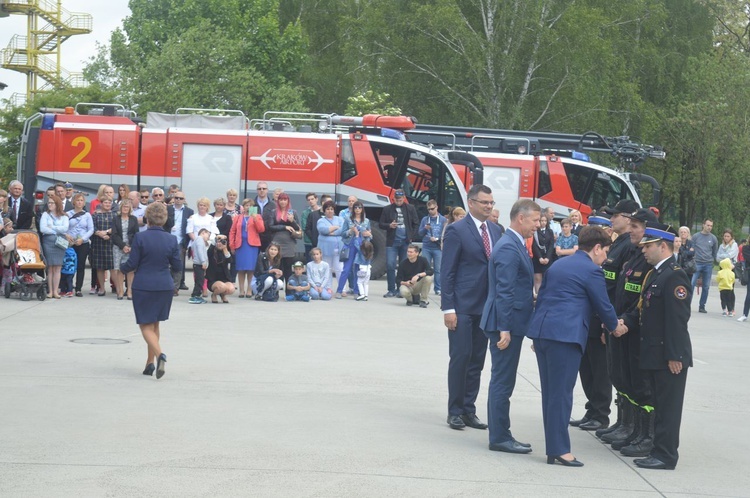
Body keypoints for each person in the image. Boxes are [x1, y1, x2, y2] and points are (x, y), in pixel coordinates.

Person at [527, 226, 621, 466]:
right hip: (565, 336)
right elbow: (603, 305)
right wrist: (615, 327)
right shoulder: (592, 270)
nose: (606, 257)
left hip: (544, 333)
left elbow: (543, 296)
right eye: (606, 251)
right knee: (561, 395)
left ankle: (553, 448)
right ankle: (559, 449)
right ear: (597, 248)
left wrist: (539, 334)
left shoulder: (559, 264)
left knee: (550, 393)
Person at [617, 222, 692, 470]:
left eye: (648, 246)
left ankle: (666, 455)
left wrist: (675, 355)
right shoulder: (656, 274)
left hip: (668, 356)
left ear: (663, 246)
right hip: (654, 353)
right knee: (660, 406)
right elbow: (643, 310)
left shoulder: (675, 275)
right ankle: (658, 451)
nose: (643, 251)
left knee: (668, 409)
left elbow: (677, 321)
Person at [480, 198, 540, 453]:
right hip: (505, 324)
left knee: (503, 381)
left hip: (510, 321)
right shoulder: (508, 247)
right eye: (535, 220)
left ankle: (501, 433)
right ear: (521, 218)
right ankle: (500, 437)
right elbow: (504, 290)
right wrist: (504, 327)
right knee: (502, 382)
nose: (538, 225)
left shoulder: (514, 243)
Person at [442, 185, 503, 431]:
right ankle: (455, 410)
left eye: (491, 202)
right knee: (461, 357)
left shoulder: (497, 230)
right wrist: (448, 309)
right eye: (484, 202)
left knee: (477, 360)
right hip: (463, 306)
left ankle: (469, 409)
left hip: (486, 306)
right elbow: (447, 272)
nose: (489, 206)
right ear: (471, 203)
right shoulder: (457, 230)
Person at [578, 199, 638, 436]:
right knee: (588, 367)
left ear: (628, 217)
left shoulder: (628, 247)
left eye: (615, 216)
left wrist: (610, 322)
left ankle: (600, 413)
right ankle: (592, 409)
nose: (611, 220)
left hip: (606, 316)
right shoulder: (613, 244)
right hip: (593, 314)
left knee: (601, 368)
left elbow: (617, 289)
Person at [601, 208, 658, 457]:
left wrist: (624, 322)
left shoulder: (649, 260)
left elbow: (642, 300)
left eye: (636, 226)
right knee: (621, 377)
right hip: (621, 326)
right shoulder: (633, 254)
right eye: (631, 225)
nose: (631, 230)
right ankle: (627, 425)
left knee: (641, 385)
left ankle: (646, 434)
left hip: (635, 330)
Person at [121, 202, 182, 379]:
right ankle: (150, 363)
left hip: (144, 284)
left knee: (145, 325)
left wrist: (122, 268)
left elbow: (132, 264)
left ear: (147, 218)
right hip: (164, 285)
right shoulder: (171, 239)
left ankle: (160, 354)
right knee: (155, 324)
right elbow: (178, 266)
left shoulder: (140, 238)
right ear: (164, 219)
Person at [379, 189, 419, 298]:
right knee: (390, 265)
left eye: (400, 199)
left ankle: (400, 289)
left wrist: (411, 236)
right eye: (397, 199)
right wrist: (389, 225)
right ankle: (391, 289)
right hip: (392, 242)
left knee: (403, 267)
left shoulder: (410, 208)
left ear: (404, 198)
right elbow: (381, 224)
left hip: (405, 242)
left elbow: (416, 223)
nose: (398, 201)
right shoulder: (387, 209)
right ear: (393, 198)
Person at [229, 198, 265, 298]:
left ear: (253, 207)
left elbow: (261, 229)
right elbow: (232, 232)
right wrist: (232, 245)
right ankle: (241, 290)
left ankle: (249, 289)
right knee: (241, 269)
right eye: (246, 205)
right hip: (240, 245)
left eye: (250, 205)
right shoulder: (238, 217)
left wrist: (255, 218)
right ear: (243, 207)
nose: (248, 207)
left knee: (251, 269)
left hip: (252, 246)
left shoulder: (257, 216)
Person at [263, 193, 302, 282]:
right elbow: (270, 226)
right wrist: (284, 227)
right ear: (278, 201)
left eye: (285, 200)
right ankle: (275, 291)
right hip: (276, 243)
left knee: (288, 269)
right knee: (277, 268)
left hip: (289, 244)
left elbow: (298, 228)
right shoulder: (274, 212)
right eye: (281, 200)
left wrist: (292, 221)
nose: (283, 202)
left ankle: (288, 293)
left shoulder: (293, 212)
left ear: (288, 201)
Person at [337, 201, 372, 298]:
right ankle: (339, 290)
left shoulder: (366, 221)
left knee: (358, 269)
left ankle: (357, 291)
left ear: (362, 209)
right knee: (346, 269)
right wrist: (350, 231)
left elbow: (369, 235)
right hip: (350, 244)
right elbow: (342, 233)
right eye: (356, 207)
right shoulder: (348, 219)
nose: (357, 209)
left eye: (359, 207)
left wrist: (368, 235)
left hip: (361, 246)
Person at [39, 194, 70, 298]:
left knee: (57, 267)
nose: (50, 204)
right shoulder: (45, 215)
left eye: (52, 203)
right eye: (49, 202)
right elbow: (43, 229)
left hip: (60, 243)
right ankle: (50, 291)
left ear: (57, 204)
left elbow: (65, 228)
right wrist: (56, 229)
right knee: (50, 267)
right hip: (48, 242)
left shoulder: (64, 216)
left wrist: (51, 227)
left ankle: (56, 291)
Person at [65, 193, 94, 297]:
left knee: (80, 266)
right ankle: (68, 287)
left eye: (81, 200)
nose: (79, 202)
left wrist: (83, 239)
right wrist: (67, 235)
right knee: (69, 265)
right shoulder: (68, 214)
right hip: (70, 243)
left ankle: (78, 288)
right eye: (77, 200)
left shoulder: (87, 215)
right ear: (73, 202)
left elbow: (91, 229)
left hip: (83, 243)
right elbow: (63, 227)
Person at [111, 199, 138, 300]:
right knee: (119, 269)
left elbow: (136, 234)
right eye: (124, 207)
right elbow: (114, 234)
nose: (125, 208)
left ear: (130, 208)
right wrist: (123, 246)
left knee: (130, 269)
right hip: (118, 247)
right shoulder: (116, 219)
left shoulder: (134, 219)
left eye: (127, 207)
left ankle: (130, 290)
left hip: (131, 247)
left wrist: (131, 247)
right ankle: (120, 291)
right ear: (121, 208)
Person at [418, 200, 447, 296]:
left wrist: (438, 239)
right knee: (425, 268)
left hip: (437, 247)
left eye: (432, 209)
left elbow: (445, 234)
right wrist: (424, 229)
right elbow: (419, 234)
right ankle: (423, 287)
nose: (430, 211)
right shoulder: (425, 219)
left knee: (438, 269)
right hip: (427, 246)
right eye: (429, 209)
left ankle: (438, 288)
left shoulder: (443, 220)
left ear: (437, 207)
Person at [690, 219, 718, 313]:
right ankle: (687, 304)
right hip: (697, 263)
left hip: (708, 264)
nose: (709, 227)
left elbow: (715, 251)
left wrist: (712, 261)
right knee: (691, 284)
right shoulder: (696, 236)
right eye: (708, 225)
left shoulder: (713, 238)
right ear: (703, 225)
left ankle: (702, 306)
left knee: (706, 286)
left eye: (711, 226)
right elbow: (692, 249)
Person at [91, 197, 117, 296]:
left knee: (113, 268)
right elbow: (92, 226)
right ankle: (102, 288)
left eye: (109, 203)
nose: (107, 204)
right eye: (105, 202)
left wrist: (107, 233)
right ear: (101, 203)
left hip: (111, 243)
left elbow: (116, 227)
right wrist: (99, 233)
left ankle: (118, 288)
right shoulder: (96, 215)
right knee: (100, 268)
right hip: (98, 243)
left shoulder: (115, 215)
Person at [317, 201, 344, 289]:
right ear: (324, 210)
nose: (330, 211)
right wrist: (336, 227)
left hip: (338, 249)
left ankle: (341, 289)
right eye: (328, 209)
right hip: (326, 250)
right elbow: (323, 230)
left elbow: (343, 230)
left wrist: (331, 232)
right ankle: (327, 288)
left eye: (331, 209)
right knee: (327, 269)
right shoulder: (321, 220)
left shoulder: (340, 219)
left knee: (339, 269)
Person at [170, 191, 194, 292]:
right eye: (176, 198)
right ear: (173, 199)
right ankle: (167, 285)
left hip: (180, 241)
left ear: (184, 200)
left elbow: (190, 228)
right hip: (168, 239)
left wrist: (187, 244)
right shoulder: (168, 209)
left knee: (178, 264)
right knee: (166, 265)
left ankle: (175, 287)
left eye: (180, 198)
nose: (178, 200)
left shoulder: (189, 211)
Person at [206, 234, 236, 303]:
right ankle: (214, 295)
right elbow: (210, 249)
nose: (219, 244)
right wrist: (217, 237)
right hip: (213, 280)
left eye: (221, 242)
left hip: (224, 279)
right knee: (222, 286)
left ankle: (223, 295)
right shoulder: (211, 252)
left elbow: (230, 260)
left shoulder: (225, 252)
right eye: (218, 242)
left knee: (231, 289)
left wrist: (225, 248)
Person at [532, 213, 555, 295]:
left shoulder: (550, 231)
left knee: (547, 278)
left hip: (547, 259)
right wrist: (540, 258)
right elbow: (534, 245)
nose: (543, 222)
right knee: (538, 279)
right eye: (541, 221)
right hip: (537, 258)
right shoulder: (535, 232)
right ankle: (538, 296)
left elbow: (551, 245)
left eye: (545, 221)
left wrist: (548, 258)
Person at [188, 229, 211, 304]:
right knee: (199, 281)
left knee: (200, 280)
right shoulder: (199, 240)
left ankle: (197, 295)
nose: (208, 237)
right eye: (208, 235)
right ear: (203, 233)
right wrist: (203, 262)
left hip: (198, 263)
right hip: (199, 264)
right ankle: (195, 295)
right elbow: (200, 252)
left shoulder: (198, 241)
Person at [301, 193, 321, 260]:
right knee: (309, 262)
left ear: (316, 199)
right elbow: (304, 227)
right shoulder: (305, 213)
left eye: (312, 199)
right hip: (309, 241)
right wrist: (313, 238)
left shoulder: (322, 211)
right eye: (308, 200)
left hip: (321, 240)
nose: (310, 201)